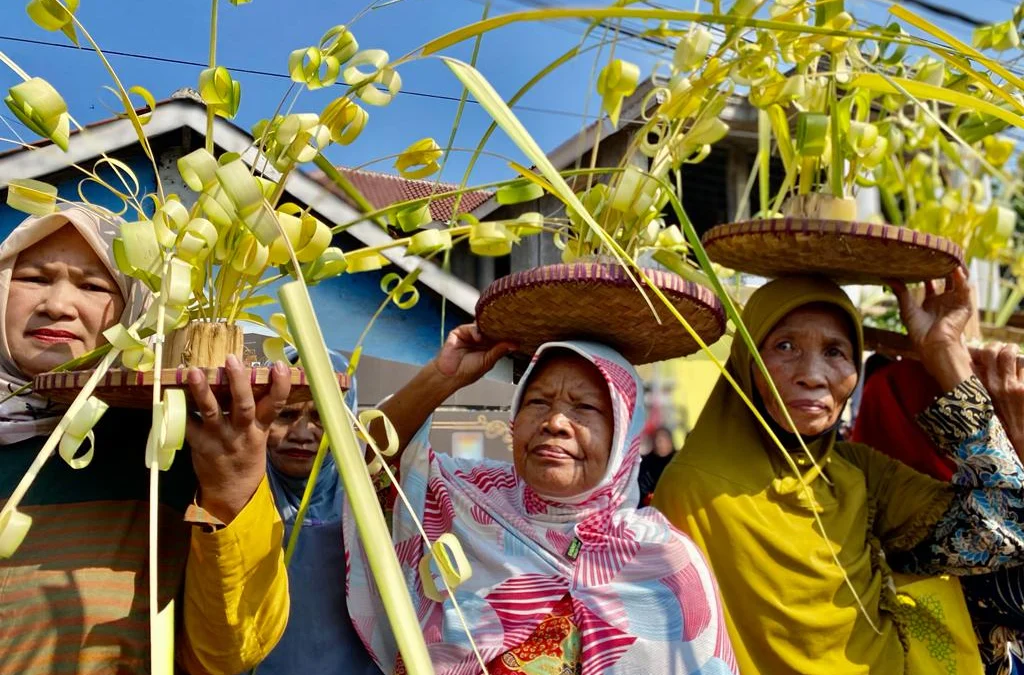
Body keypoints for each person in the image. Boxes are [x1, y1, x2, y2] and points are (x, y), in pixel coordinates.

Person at [654, 271, 1024, 675]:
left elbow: (1007, 526)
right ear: (747, 359)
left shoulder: (858, 473)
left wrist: (945, 353)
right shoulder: (691, 489)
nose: (812, 374)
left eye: (835, 352)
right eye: (785, 346)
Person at [345, 326, 737, 674]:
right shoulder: (463, 500)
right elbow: (369, 462)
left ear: (625, 431)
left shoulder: (665, 562)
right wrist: (442, 378)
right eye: (538, 402)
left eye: (584, 408)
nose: (555, 422)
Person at [0, 204, 290, 674]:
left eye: (92, 285)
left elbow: (231, 650)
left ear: (138, 310)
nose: (56, 304)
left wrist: (231, 491)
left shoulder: (170, 448)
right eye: (33, 277)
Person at [254, 349, 380, 674]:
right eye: (285, 415)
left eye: (321, 416)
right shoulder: (237, 493)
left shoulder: (372, 497)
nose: (302, 433)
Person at [638, 426, 675, 506]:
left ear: (670, 441)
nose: (658, 444)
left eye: (661, 441)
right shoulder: (646, 464)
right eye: (656, 441)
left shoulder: (677, 461)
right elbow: (642, 490)